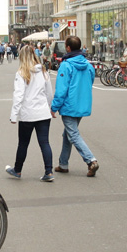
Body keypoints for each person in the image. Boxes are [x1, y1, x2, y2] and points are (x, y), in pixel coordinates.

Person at [5, 45, 56, 182]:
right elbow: (49, 93)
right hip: (43, 113)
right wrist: (51, 109)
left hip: (28, 114)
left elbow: (18, 95)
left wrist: (14, 115)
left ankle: (17, 170)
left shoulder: (22, 73)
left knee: (23, 143)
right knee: (44, 142)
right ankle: (49, 172)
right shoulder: (43, 71)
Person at [51, 35, 99, 177]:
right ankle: (63, 163)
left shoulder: (66, 65)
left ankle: (91, 160)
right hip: (82, 104)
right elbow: (89, 83)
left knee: (72, 134)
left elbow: (61, 90)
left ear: (68, 48)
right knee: (68, 134)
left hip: (69, 105)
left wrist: (54, 107)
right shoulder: (88, 66)